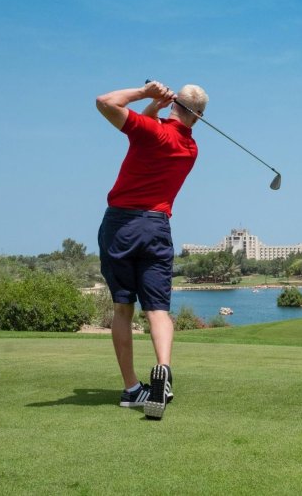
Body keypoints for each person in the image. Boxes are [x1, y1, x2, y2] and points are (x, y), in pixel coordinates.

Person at [95, 80, 208, 419]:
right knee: (158, 310)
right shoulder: (190, 149)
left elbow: (105, 102)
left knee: (123, 309)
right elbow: (143, 135)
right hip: (157, 226)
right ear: (198, 117)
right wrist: (159, 108)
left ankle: (132, 389)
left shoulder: (151, 132)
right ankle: (164, 371)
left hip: (121, 226)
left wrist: (147, 95)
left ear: (175, 104)